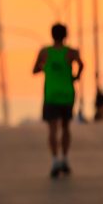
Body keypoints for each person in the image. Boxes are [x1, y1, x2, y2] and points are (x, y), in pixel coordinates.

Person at [32, 23, 83, 178]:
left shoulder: (44, 52)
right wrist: (75, 76)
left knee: (53, 129)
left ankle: (55, 160)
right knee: (66, 127)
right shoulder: (72, 52)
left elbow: (34, 70)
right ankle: (65, 159)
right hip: (67, 94)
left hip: (51, 95)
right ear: (65, 35)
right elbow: (82, 65)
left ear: (52, 35)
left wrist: (45, 67)